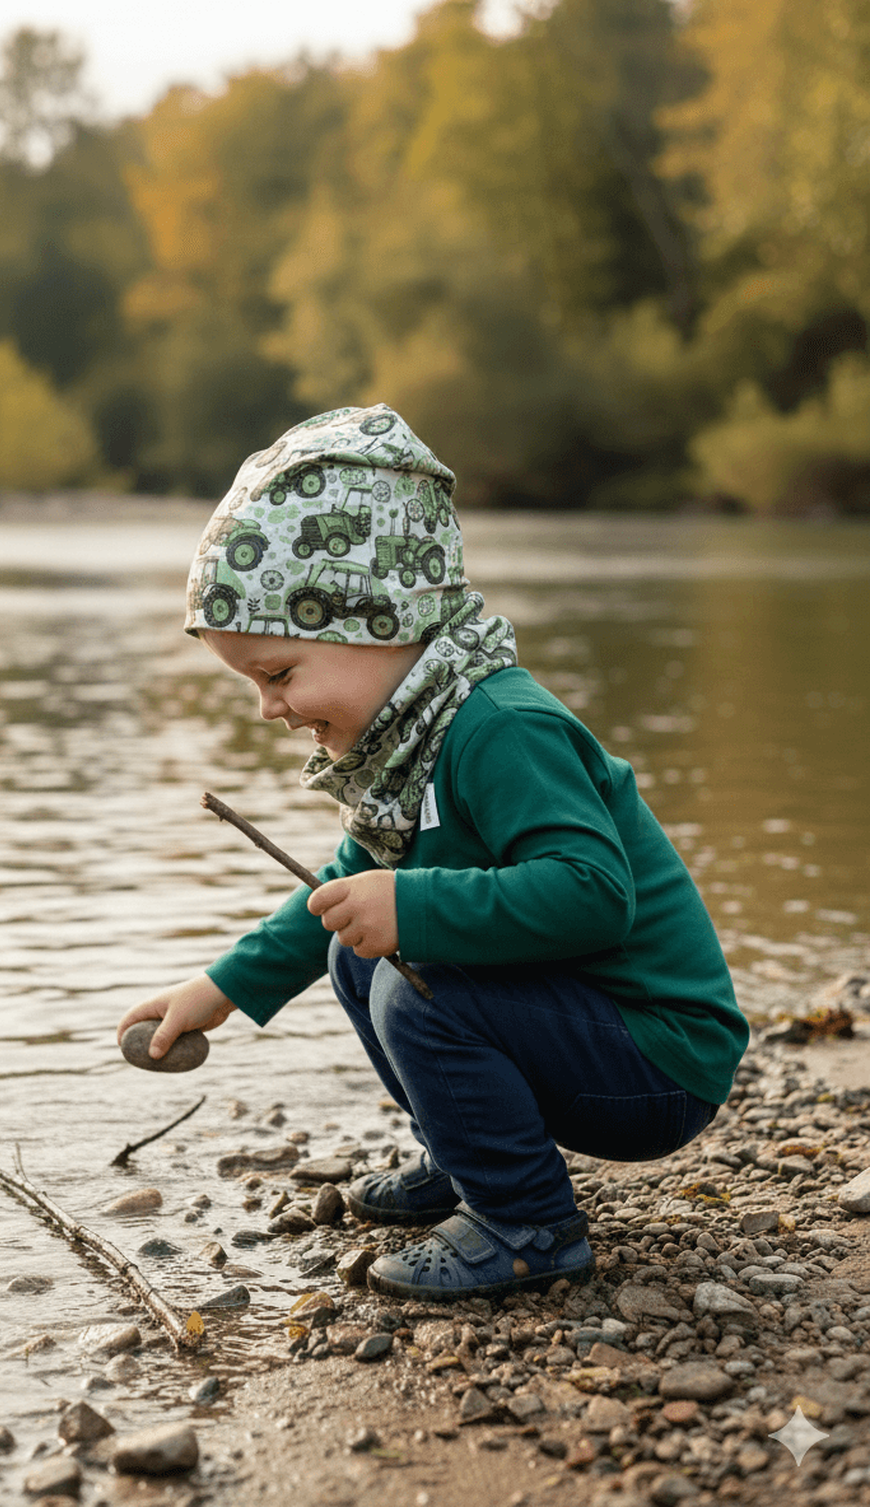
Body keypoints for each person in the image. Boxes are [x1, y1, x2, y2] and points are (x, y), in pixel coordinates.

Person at [116, 404, 748, 1302]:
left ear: (378, 620)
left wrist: (409, 908)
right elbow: (340, 890)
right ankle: (469, 1161)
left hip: (657, 1056)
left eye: (279, 673)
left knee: (416, 981)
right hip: (582, 1026)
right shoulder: (410, 740)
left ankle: (527, 1222)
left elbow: (594, 893)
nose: (269, 708)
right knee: (353, 943)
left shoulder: (499, 726)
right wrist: (219, 990)